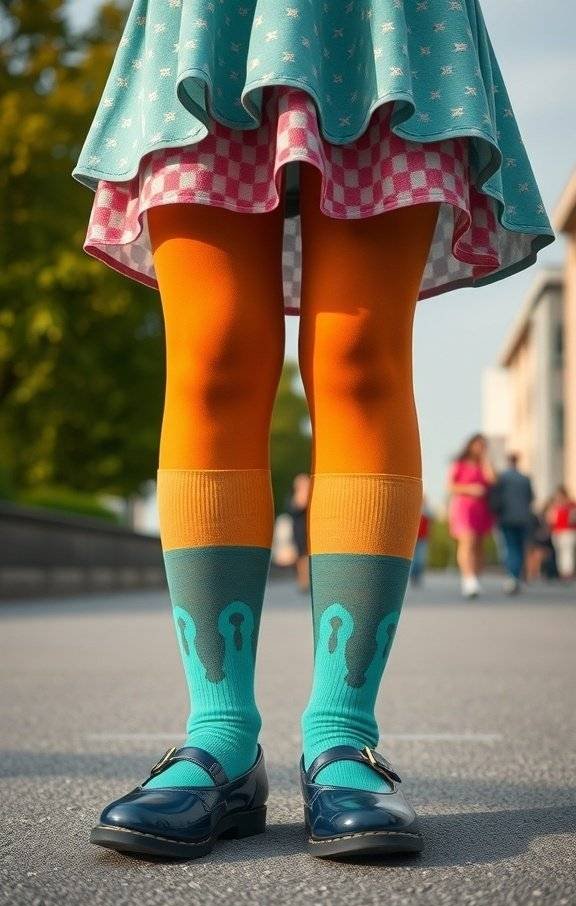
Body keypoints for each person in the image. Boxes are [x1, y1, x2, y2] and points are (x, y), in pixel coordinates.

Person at [73, 1, 554, 860]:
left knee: (359, 354)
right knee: (215, 354)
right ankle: (220, 740)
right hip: (214, 20)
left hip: (381, 23)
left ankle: (343, 734)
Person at [448, 434, 496, 599]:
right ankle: (468, 580)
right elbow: (450, 486)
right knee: (467, 541)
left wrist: (486, 461)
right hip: (464, 507)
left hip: (482, 509)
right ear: (470, 445)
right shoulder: (459, 464)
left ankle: (475, 577)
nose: (481, 448)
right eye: (478, 445)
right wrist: (470, 489)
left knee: (479, 545)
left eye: (484, 446)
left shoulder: (484, 464)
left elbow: (493, 480)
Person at [492, 454, 534, 594]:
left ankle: (512, 577)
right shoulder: (525, 479)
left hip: (506, 518)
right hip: (523, 518)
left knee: (510, 547)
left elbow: (496, 497)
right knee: (521, 548)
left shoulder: (502, 478)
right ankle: (517, 576)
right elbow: (531, 498)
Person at [287, 473, 311, 593]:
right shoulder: (294, 497)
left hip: (309, 530)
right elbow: (294, 509)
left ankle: (307, 581)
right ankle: (303, 581)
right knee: (301, 556)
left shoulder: (311, 496)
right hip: (299, 531)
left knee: (307, 556)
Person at [547, 486, 576, 579]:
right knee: (559, 552)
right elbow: (550, 519)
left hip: (568, 531)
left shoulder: (571, 505)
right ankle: (561, 571)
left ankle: (567, 572)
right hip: (557, 531)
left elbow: (573, 518)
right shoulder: (555, 506)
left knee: (567, 552)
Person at [410, 496, 433, 586]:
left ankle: (417, 577)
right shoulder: (413, 510)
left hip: (423, 538)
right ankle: (412, 576)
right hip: (413, 538)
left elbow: (430, 524)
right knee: (413, 559)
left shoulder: (426, 511)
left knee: (420, 559)